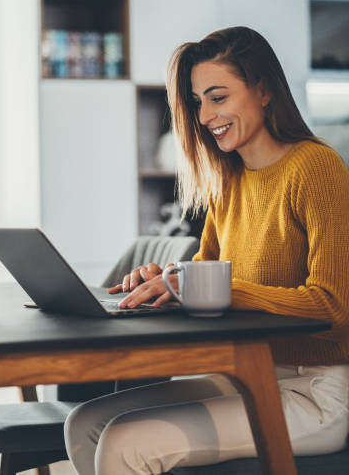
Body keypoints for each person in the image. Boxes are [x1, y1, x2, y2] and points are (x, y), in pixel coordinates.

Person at [65, 26, 349, 475]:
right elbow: (205, 272)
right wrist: (167, 282)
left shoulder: (316, 168)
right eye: (198, 102)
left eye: (218, 97)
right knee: (85, 422)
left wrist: (214, 288)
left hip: (311, 391)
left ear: (263, 90)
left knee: (124, 441)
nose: (204, 116)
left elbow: (334, 305)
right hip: (241, 374)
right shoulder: (229, 180)